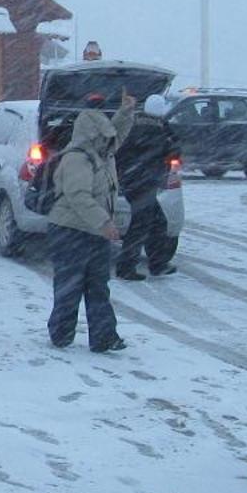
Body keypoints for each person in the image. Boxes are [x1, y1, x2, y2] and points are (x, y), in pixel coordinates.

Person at [45, 92, 136, 352]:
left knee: (98, 286)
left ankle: (104, 337)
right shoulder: (77, 158)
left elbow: (116, 134)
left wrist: (126, 113)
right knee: (69, 286)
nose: (110, 142)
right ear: (92, 135)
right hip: (69, 230)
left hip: (94, 232)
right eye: (103, 137)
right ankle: (61, 334)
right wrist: (104, 223)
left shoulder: (103, 154)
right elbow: (77, 196)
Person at [114, 93, 180, 280]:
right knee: (142, 226)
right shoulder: (157, 130)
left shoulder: (136, 125)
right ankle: (129, 267)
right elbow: (172, 150)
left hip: (133, 182)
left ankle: (156, 264)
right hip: (144, 183)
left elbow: (121, 153)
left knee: (156, 222)